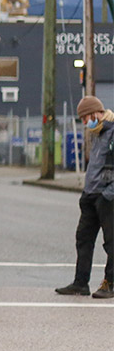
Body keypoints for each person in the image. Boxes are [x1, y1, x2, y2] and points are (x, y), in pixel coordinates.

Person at [55, 96, 114, 300]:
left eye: (85, 117)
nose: (84, 122)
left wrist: (108, 194)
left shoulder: (112, 131)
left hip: (107, 197)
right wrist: (86, 193)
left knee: (111, 242)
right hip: (91, 195)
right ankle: (81, 282)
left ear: (95, 113)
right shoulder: (97, 133)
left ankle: (110, 283)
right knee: (83, 238)